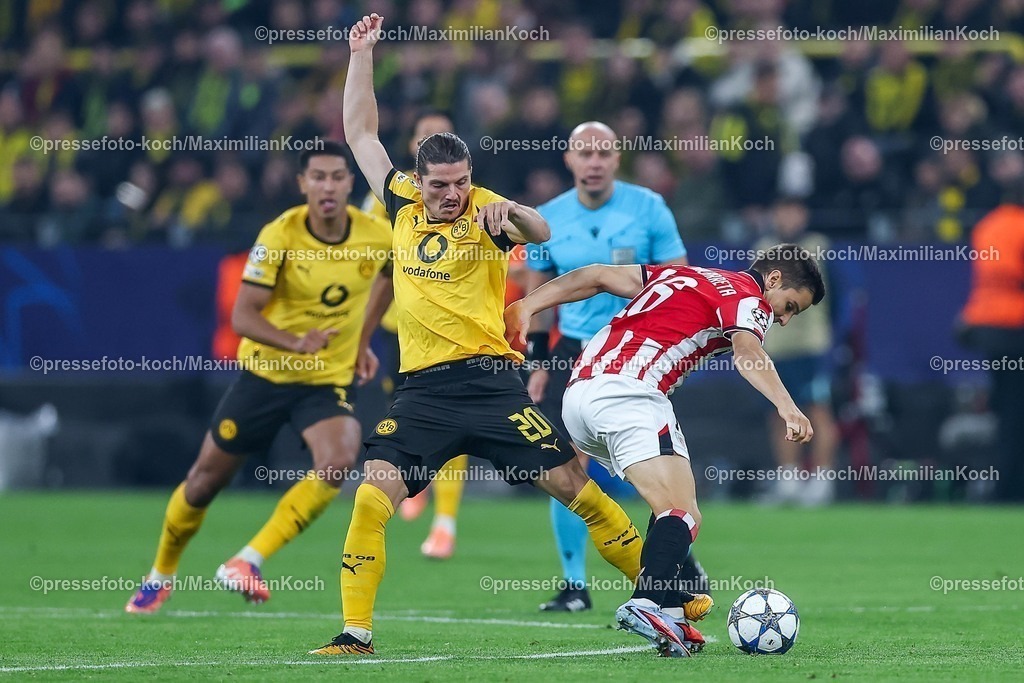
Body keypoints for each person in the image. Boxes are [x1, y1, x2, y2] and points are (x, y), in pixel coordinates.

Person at [310, 13, 646, 656]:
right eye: (442, 186)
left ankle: (672, 595)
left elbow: (543, 236)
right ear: (420, 181)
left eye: (462, 183)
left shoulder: (488, 212)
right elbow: (360, 131)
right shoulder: (402, 199)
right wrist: (360, 54)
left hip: (492, 386)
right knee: (370, 498)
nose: (453, 195)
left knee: (577, 488)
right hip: (421, 395)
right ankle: (355, 635)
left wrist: (512, 211)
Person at [504, 244, 825, 657]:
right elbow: (748, 354)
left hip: (579, 397)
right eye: (790, 307)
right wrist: (789, 408)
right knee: (684, 513)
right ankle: (647, 603)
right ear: (775, 279)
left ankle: (671, 615)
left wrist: (527, 305)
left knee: (670, 505)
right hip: (629, 393)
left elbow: (598, 275)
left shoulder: (685, 277)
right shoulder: (748, 296)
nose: (781, 318)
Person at [126, 141, 394, 613]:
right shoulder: (280, 234)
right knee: (204, 483)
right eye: (318, 177)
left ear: (351, 183)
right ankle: (160, 573)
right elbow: (243, 317)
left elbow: (390, 277)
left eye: (337, 177)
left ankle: (247, 561)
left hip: (325, 380)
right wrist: (296, 342)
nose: (327, 186)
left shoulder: (376, 233)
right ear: (302, 184)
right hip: (266, 376)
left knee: (338, 460)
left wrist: (362, 339)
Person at [521, 120, 705, 613]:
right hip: (575, 350)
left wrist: (681, 351)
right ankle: (575, 583)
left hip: (640, 353)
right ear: (570, 159)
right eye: (586, 152)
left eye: (604, 152)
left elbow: (682, 282)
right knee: (566, 467)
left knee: (648, 467)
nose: (595, 161)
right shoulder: (546, 218)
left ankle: (674, 560)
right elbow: (537, 294)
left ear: (617, 157)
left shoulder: (649, 207)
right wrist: (538, 364)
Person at [362, 108, 471, 560]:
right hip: (399, 333)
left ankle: (445, 524)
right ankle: (416, 484)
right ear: (413, 150)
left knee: (456, 426)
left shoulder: (470, 204)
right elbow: (379, 270)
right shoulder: (385, 199)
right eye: (426, 135)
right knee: (411, 423)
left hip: (452, 337)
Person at [756, 198, 839, 506]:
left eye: (794, 210)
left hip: (812, 347)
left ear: (804, 214)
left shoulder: (820, 247)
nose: (788, 217)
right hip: (776, 348)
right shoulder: (763, 248)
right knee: (778, 413)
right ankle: (788, 478)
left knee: (818, 410)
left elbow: (840, 297)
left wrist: (834, 339)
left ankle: (822, 480)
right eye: (782, 209)